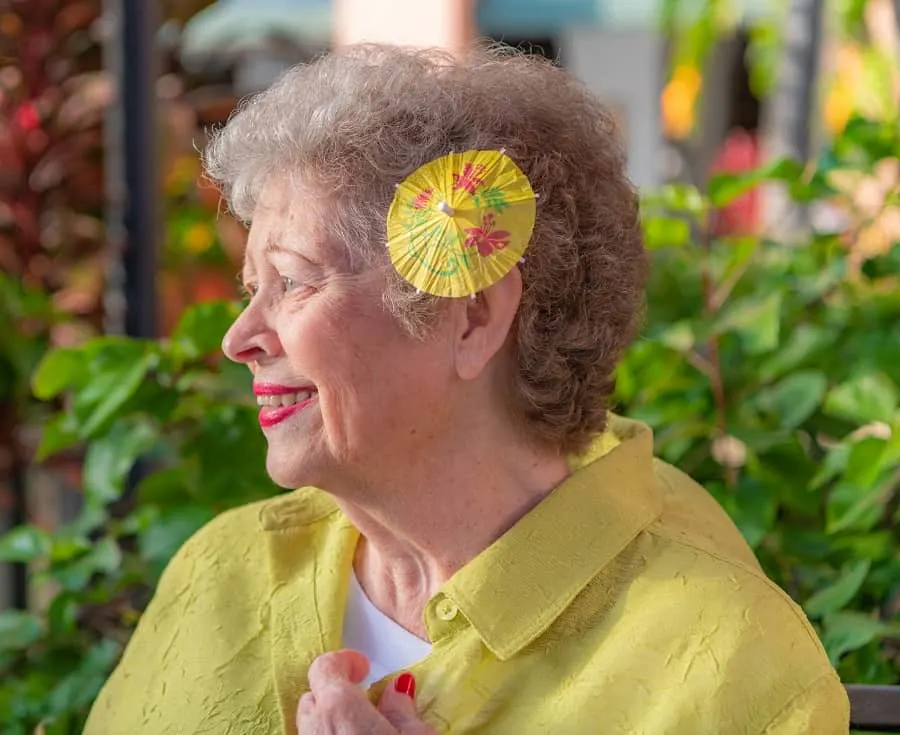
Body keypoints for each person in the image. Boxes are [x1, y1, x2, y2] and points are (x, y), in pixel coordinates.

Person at [84, 44, 849, 734]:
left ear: (473, 316)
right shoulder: (223, 570)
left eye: (292, 280)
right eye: (253, 287)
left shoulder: (729, 664)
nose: (239, 338)